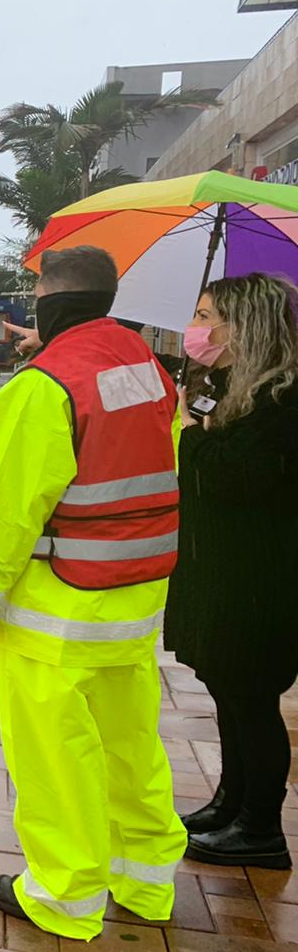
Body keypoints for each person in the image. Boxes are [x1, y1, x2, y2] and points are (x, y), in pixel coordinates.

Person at [0, 244, 185, 940]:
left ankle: (64, 894)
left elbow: (14, 507)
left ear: (50, 301)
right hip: (135, 597)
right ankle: (144, 880)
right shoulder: (146, 369)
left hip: (59, 607)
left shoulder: (43, 385)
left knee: (55, 753)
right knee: (130, 744)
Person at [165, 272, 298, 870]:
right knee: (227, 690)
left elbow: (233, 477)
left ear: (243, 325)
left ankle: (261, 829)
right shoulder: (227, 386)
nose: (196, 329)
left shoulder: (283, 400)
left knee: (251, 698)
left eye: (204, 316)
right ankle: (229, 803)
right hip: (223, 571)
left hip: (260, 579)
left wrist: (193, 434)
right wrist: (196, 409)